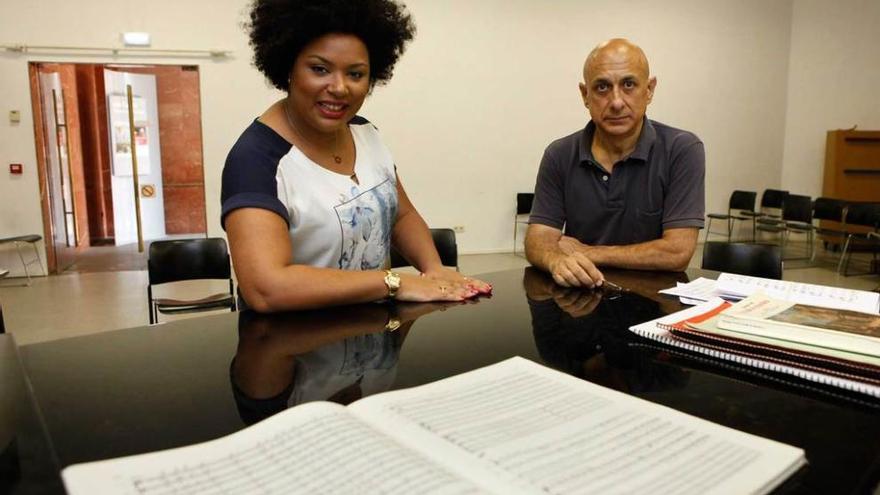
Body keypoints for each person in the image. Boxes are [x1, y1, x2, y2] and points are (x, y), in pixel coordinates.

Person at [222, 0, 491, 312]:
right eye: (319, 69)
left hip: (372, 340)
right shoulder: (256, 160)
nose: (339, 88)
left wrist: (434, 268)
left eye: (355, 73)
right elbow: (266, 288)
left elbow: (401, 215)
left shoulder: (365, 133)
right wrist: (396, 282)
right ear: (287, 68)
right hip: (294, 347)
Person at [525, 38, 705, 289]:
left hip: (654, 307)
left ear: (650, 89)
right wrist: (556, 260)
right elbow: (538, 239)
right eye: (602, 87)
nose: (617, 101)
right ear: (585, 94)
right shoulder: (559, 154)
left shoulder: (681, 149)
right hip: (581, 299)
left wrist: (589, 252)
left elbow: (677, 253)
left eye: (629, 84)